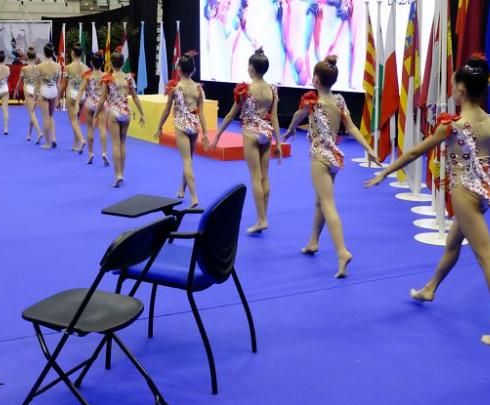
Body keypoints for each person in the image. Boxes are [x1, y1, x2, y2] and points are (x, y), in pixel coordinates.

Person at [366, 54, 490, 343]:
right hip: (482, 192)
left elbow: (416, 152)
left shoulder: (452, 125)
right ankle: (430, 288)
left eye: (454, 84)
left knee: (486, 256)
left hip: (465, 192)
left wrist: (385, 171)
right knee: (453, 244)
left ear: (462, 89)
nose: (451, 90)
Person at [284, 55, 378, 278]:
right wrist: (369, 149)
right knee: (321, 201)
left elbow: (298, 117)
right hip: (335, 158)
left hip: (319, 157)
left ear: (315, 80)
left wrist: (290, 129)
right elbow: (352, 128)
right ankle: (313, 241)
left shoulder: (312, 101)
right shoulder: (339, 101)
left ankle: (342, 252)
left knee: (327, 204)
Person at [214, 48, 282, 233]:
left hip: (251, 133)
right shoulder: (272, 89)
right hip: (266, 134)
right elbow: (274, 117)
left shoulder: (245, 90)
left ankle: (261, 220)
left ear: (252, 69)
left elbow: (229, 115)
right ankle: (264, 216)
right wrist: (279, 142)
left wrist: (218, 134)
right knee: (265, 176)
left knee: (255, 177)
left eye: (248, 66)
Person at [155, 54, 210, 208]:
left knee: (186, 162)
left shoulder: (174, 88)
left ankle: (194, 197)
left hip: (181, 125)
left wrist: (159, 126)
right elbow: (202, 113)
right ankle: (181, 190)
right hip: (194, 125)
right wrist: (205, 133)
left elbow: (166, 111)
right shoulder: (199, 88)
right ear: (193, 70)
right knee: (189, 161)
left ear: (178, 69)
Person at [98, 52, 145, 188]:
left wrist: (96, 114)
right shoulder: (128, 78)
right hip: (126, 112)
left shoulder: (108, 79)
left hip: (113, 112)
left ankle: (117, 174)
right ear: (123, 63)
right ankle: (122, 173)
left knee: (115, 145)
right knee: (123, 143)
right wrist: (142, 113)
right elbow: (135, 97)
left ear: (111, 63)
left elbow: (102, 99)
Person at [76, 52, 109, 166]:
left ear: (91, 63)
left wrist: (76, 103)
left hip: (90, 104)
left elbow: (81, 90)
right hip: (101, 104)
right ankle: (104, 152)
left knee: (90, 129)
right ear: (103, 63)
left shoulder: (87, 76)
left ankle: (90, 154)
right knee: (102, 129)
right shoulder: (105, 76)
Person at [61, 47, 87, 152]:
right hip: (82, 95)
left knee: (73, 120)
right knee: (77, 121)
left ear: (73, 53)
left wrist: (59, 96)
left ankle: (81, 140)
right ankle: (75, 145)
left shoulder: (68, 67)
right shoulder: (86, 68)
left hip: (72, 93)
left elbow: (63, 84)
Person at [36, 43, 61, 149]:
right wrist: (59, 98)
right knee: (51, 116)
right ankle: (54, 138)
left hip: (44, 90)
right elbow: (58, 83)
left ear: (44, 53)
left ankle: (47, 143)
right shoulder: (58, 66)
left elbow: (37, 83)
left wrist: (36, 95)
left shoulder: (39, 66)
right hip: (54, 90)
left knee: (45, 118)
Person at [21, 48, 42, 142]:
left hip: (28, 89)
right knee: (32, 113)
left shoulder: (24, 68)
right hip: (36, 89)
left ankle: (39, 132)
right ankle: (29, 134)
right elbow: (40, 81)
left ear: (27, 57)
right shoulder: (38, 68)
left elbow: (19, 81)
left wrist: (17, 89)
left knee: (32, 113)